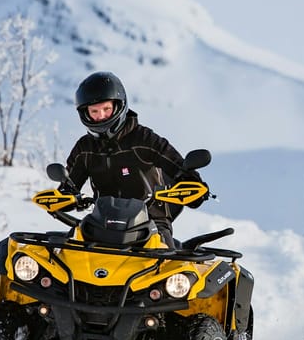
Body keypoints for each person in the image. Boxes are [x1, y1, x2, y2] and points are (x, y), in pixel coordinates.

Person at [63, 71, 206, 247]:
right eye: (94, 111)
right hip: (102, 224)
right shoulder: (84, 148)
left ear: (119, 106)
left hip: (151, 223)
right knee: (67, 251)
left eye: (106, 109)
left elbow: (179, 167)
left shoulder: (145, 140)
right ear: (85, 113)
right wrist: (65, 198)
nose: (100, 116)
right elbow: (68, 187)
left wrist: (194, 186)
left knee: (167, 263)